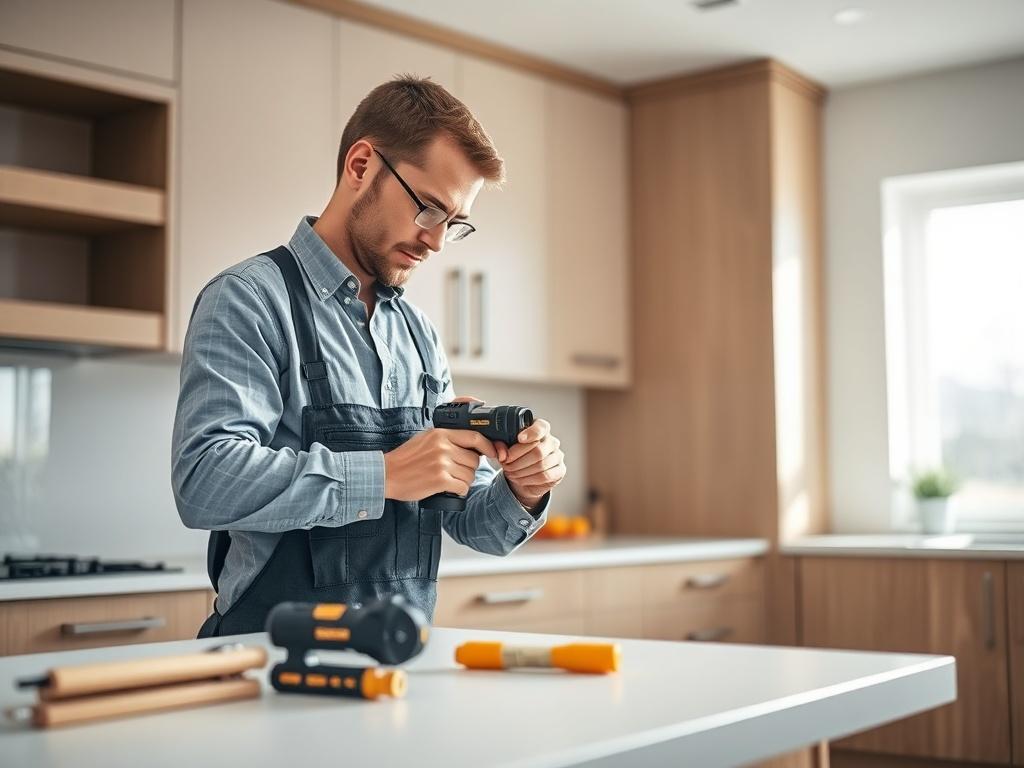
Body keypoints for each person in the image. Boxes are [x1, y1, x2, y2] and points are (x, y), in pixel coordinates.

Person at [171, 76, 566, 637]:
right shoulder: (248, 299)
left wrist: (522, 489)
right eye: (429, 210)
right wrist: (382, 475)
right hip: (269, 663)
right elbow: (204, 481)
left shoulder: (419, 336)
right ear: (361, 165)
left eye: (454, 225)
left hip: (396, 659)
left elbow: (470, 520)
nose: (434, 242)